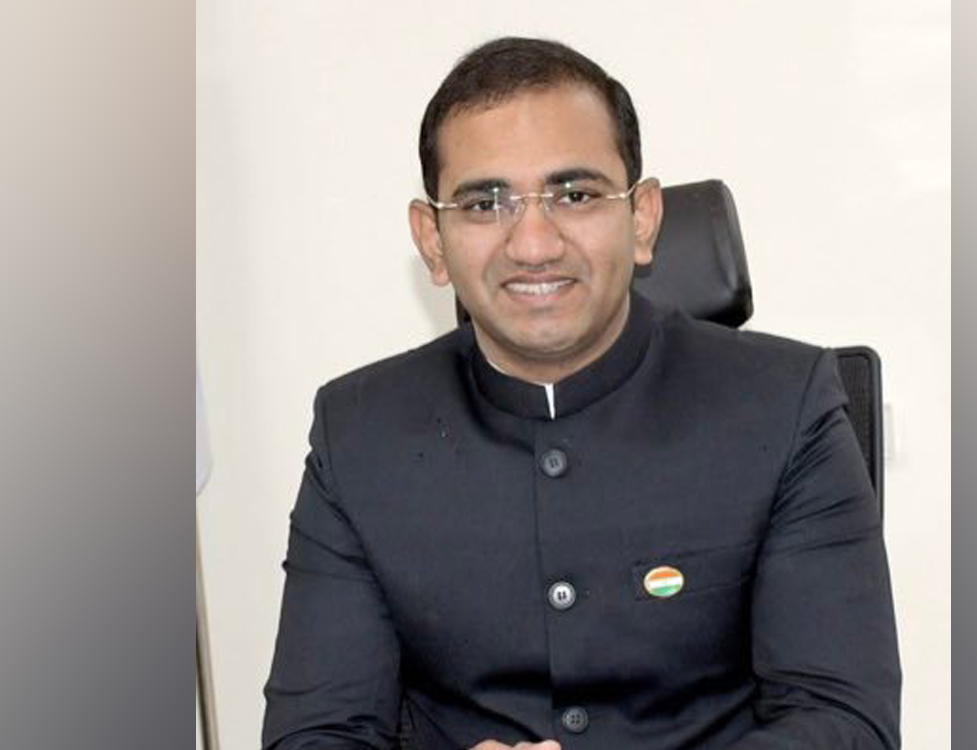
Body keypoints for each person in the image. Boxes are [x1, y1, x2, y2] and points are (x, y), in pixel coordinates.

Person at [262, 37, 901, 750]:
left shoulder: (785, 405)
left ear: (642, 218)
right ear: (433, 240)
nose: (533, 245)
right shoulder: (358, 434)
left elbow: (846, 724)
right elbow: (314, 735)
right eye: (485, 203)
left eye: (575, 196)